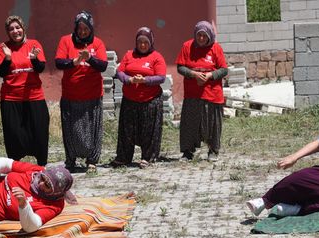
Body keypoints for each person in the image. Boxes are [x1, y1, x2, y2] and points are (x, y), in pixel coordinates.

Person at [55, 11, 108, 172]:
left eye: (86, 28)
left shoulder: (97, 43)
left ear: (91, 28)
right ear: (76, 28)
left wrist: (89, 58)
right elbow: (59, 62)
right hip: (71, 95)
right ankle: (71, 160)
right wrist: (74, 62)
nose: (83, 32)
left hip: (92, 95)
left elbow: (103, 66)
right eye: (80, 28)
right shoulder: (66, 41)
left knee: (93, 130)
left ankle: (91, 160)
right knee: (71, 129)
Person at [0, 15, 49, 166]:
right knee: (14, 134)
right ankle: (15, 166)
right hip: (11, 98)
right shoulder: (2, 48)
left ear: (23, 28)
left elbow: (40, 68)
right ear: (7, 32)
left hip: (34, 96)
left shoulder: (34, 44)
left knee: (39, 131)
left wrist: (34, 59)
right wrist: (7, 58)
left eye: (17, 27)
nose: (15, 31)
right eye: (11, 29)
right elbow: (1, 73)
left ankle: (41, 165)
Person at [111, 27, 166, 169]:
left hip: (150, 100)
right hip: (130, 100)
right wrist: (129, 80)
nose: (142, 45)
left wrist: (145, 80)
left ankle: (147, 157)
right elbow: (119, 72)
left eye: (145, 42)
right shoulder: (129, 55)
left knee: (149, 131)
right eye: (140, 42)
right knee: (127, 130)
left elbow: (161, 77)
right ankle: (124, 157)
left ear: (151, 42)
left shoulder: (156, 57)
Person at [175, 21, 228, 162]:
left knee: (213, 124)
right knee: (189, 124)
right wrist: (193, 74)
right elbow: (180, 67)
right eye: (199, 35)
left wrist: (210, 76)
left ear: (209, 35)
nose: (201, 38)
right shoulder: (187, 46)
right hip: (193, 94)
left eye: (204, 35)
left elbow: (224, 69)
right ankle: (187, 152)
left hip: (212, 93)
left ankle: (213, 151)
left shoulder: (216, 48)